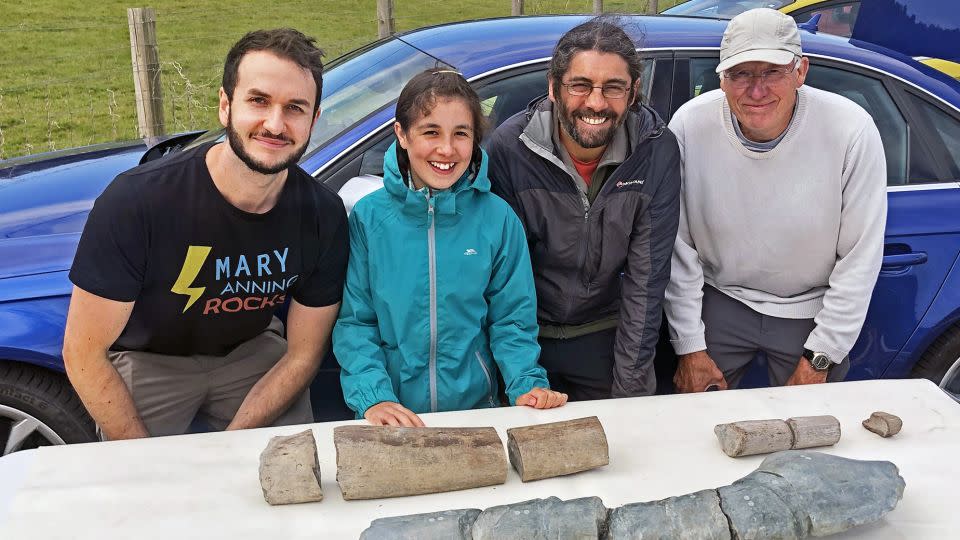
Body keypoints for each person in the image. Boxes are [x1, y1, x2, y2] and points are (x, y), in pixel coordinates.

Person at [62, 28, 349, 440]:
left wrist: (230, 448)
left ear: (314, 120)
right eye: (258, 101)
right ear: (224, 105)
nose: (275, 123)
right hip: (150, 358)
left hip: (251, 350)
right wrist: (142, 458)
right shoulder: (138, 200)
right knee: (139, 490)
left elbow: (304, 355)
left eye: (295, 108)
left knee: (289, 474)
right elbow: (83, 353)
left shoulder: (323, 213)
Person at [664, 8, 887, 392]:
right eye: (740, 74)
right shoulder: (689, 125)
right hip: (720, 299)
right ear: (721, 78)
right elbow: (675, 246)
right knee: (693, 425)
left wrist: (822, 354)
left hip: (811, 307)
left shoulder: (850, 129)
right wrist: (690, 347)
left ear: (801, 71)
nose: (756, 89)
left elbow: (859, 258)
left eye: (772, 72)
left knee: (809, 432)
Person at [334, 68, 567, 427]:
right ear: (402, 134)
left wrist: (526, 384)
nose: (446, 149)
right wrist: (373, 397)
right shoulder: (369, 219)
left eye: (461, 134)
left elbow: (512, 321)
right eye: (431, 132)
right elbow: (355, 323)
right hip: (391, 418)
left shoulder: (498, 219)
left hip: (476, 416)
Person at [487, 16, 681, 400]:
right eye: (580, 85)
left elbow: (647, 280)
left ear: (634, 90)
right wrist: (521, 375)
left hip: (606, 338)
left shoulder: (656, 151)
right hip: (522, 340)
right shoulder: (511, 148)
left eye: (613, 88)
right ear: (554, 87)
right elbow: (502, 278)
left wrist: (628, 393)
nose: (595, 102)